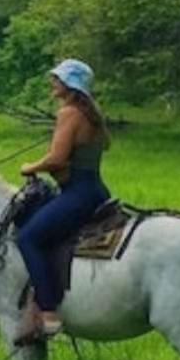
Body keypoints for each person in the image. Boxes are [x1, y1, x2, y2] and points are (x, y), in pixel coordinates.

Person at [15, 58, 111, 340]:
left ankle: (47, 311)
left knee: (28, 238)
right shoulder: (91, 113)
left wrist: (29, 167)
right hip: (96, 190)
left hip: (77, 194)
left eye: (56, 79)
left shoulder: (69, 113)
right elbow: (103, 145)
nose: (52, 82)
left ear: (69, 85)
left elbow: (56, 158)